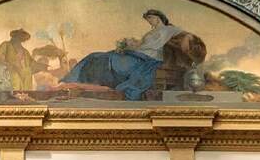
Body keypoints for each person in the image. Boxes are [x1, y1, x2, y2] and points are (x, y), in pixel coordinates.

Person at [63, 9, 194, 100]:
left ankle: (93, 78)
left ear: (157, 17)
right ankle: (74, 79)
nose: (149, 22)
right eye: (148, 20)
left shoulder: (169, 30)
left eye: (150, 19)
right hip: (138, 55)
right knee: (96, 55)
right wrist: (127, 46)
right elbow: (141, 46)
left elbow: (187, 36)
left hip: (148, 59)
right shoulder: (150, 33)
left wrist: (187, 48)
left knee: (111, 58)